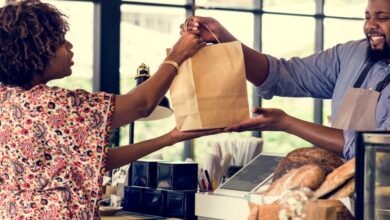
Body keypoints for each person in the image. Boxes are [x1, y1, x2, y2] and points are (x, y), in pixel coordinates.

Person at [0, 0, 218, 219]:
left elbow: (95, 161)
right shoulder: (51, 105)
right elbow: (141, 104)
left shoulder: (6, 100)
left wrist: (169, 138)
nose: (69, 46)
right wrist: (177, 55)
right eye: (60, 41)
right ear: (37, 52)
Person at [181, 0, 390, 160]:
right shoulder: (353, 54)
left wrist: (286, 123)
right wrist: (222, 37)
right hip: (345, 186)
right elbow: (282, 74)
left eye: (382, 17)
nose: (370, 25)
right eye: (367, 17)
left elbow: (373, 147)